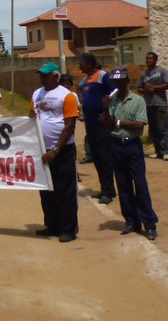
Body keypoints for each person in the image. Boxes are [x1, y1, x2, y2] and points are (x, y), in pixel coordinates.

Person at [102, 67, 159, 240]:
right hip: (116, 145)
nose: (118, 84)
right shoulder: (112, 102)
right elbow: (108, 125)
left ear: (127, 81)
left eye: (121, 81)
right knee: (123, 184)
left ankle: (149, 223)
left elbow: (139, 125)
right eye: (115, 81)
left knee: (140, 184)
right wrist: (105, 109)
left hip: (132, 146)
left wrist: (118, 122)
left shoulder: (138, 100)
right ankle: (131, 221)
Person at [30, 62, 79, 243]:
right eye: (41, 75)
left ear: (56, 76)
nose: (42, 78)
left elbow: (69, 125)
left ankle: (68, 230)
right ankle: (52, 224)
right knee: (46, 190)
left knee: (65, 190)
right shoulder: (37, 94)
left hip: (62, 150)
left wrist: (56, 149)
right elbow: (33, 116)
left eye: (46, 75)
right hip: (42, 150)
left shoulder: (67, 96)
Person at [78, 53, 116, 205]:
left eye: (81, 63)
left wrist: (108, 108)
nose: (79, 66)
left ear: (89, 63)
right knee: (96, 157)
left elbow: (114, 92)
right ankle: (105, 188)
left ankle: (108, 191)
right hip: (90, 124)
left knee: (104, 157)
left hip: (102, 124)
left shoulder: (102, 76)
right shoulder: (86, 79)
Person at [136, 51, 168, 160]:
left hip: (160, 103)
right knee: (153, 129)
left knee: (163, 128)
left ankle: (165, 152)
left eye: (151, 58)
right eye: (147, 58)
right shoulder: (144, 74)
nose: (148, 60)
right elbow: (138, 88)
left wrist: (154, 88)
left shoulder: (162, 71)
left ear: (155, 60)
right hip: (149, 104)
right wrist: (146, 91)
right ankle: (157, 151)